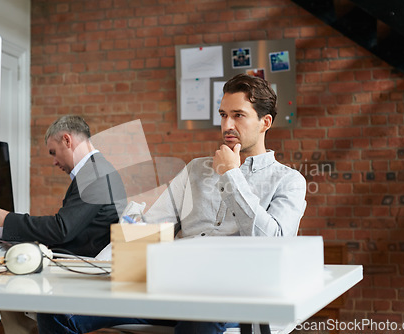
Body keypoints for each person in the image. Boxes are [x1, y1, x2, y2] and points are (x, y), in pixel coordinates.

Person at [35, 74, 307, 334]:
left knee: (201, 312)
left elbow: (271, 243)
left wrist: (230, 176)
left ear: (265, 122)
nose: (226, 126)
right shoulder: (196, 169)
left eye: (238, 116)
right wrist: (115, 253)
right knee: (55, 310)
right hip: (174, 285)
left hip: (232, 293)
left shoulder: (288, 181)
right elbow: (151, 226)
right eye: (223, 115)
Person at [0, 115, 127, 334]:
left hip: (76, 269)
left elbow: (61, 229)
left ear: (67, 140)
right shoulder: (98, 169)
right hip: (73, 263)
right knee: (4, 283)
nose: (54, 162)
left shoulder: (94, 173)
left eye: (53, 153)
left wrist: (5, 219)